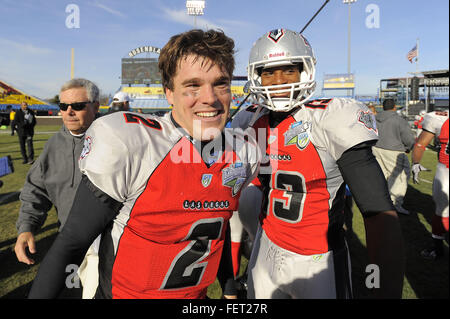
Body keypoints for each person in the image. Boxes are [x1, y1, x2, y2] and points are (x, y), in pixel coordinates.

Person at [28, 29, 259, 299]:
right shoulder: (133, 143)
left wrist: (228, 287)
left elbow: (211, 232)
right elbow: (72, 242)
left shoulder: (243, 152)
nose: (209, 97)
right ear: (169, 93)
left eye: (220, 83)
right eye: (193, 85)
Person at [232, 28, 405, 299]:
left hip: (318, 261)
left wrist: (384, 291)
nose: (278, 81)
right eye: (269, 72)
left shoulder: (330, 119)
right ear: (257, 77)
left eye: (289, 70)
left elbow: (378, 213)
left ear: (305, 72)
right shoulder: (249, 121)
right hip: (265, 247)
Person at [14, 78, 100, 298]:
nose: (69, 112)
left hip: (109, 245)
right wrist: (26, 227)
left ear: (96, 106)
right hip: (69, 241)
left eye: (78, 106)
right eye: (63, 106)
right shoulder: (53, 145)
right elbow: (36, 189)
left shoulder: (116, 139)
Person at [411, 109, 449, 260]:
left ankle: (438, 249)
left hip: (445, 171)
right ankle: (438, 248)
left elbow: (420, 145)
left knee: (442, 211)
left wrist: (416, 164)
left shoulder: (439, 118)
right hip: (446, 169)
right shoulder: (439, 118)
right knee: (441, 211)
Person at [371, 99, 416, 215]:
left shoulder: (375, 118)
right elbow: (409, 139)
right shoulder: (399, 120)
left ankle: (382, 201)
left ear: (383, 107)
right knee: (400, 177)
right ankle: (395, 204)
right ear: (395, 107)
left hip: (376, 148)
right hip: (394, 150)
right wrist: (409, 148)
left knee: (383, 175)